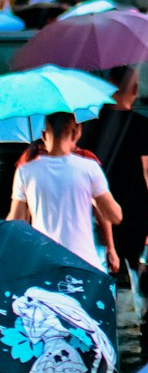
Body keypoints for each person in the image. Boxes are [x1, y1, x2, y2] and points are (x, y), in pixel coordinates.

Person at [82, 66, 148, 361]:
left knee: (105, 267)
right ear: (133, 90)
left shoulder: (91, 124)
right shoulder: (141, 123)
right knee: (140, 268)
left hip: (101, 206)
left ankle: (102, 332)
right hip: (137, 207)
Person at [8, 112, 122, 272]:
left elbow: (16, 221)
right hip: (83, 263)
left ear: (43, 135)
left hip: (43, 263)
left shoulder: (25, 171)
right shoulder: (89, 168)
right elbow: (114, 216)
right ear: (77, 132)